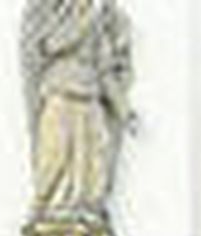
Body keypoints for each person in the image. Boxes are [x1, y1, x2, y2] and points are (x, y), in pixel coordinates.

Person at [21, 0, 135, 219]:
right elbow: (52, 45)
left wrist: (123, 109)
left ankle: (85, 206)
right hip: (60, 92)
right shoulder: (58, 15)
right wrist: (87, 19)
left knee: (93, 159)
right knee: (55, 154)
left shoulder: (100, 23)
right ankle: (46, 203)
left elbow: (105, 70)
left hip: (90, 96)